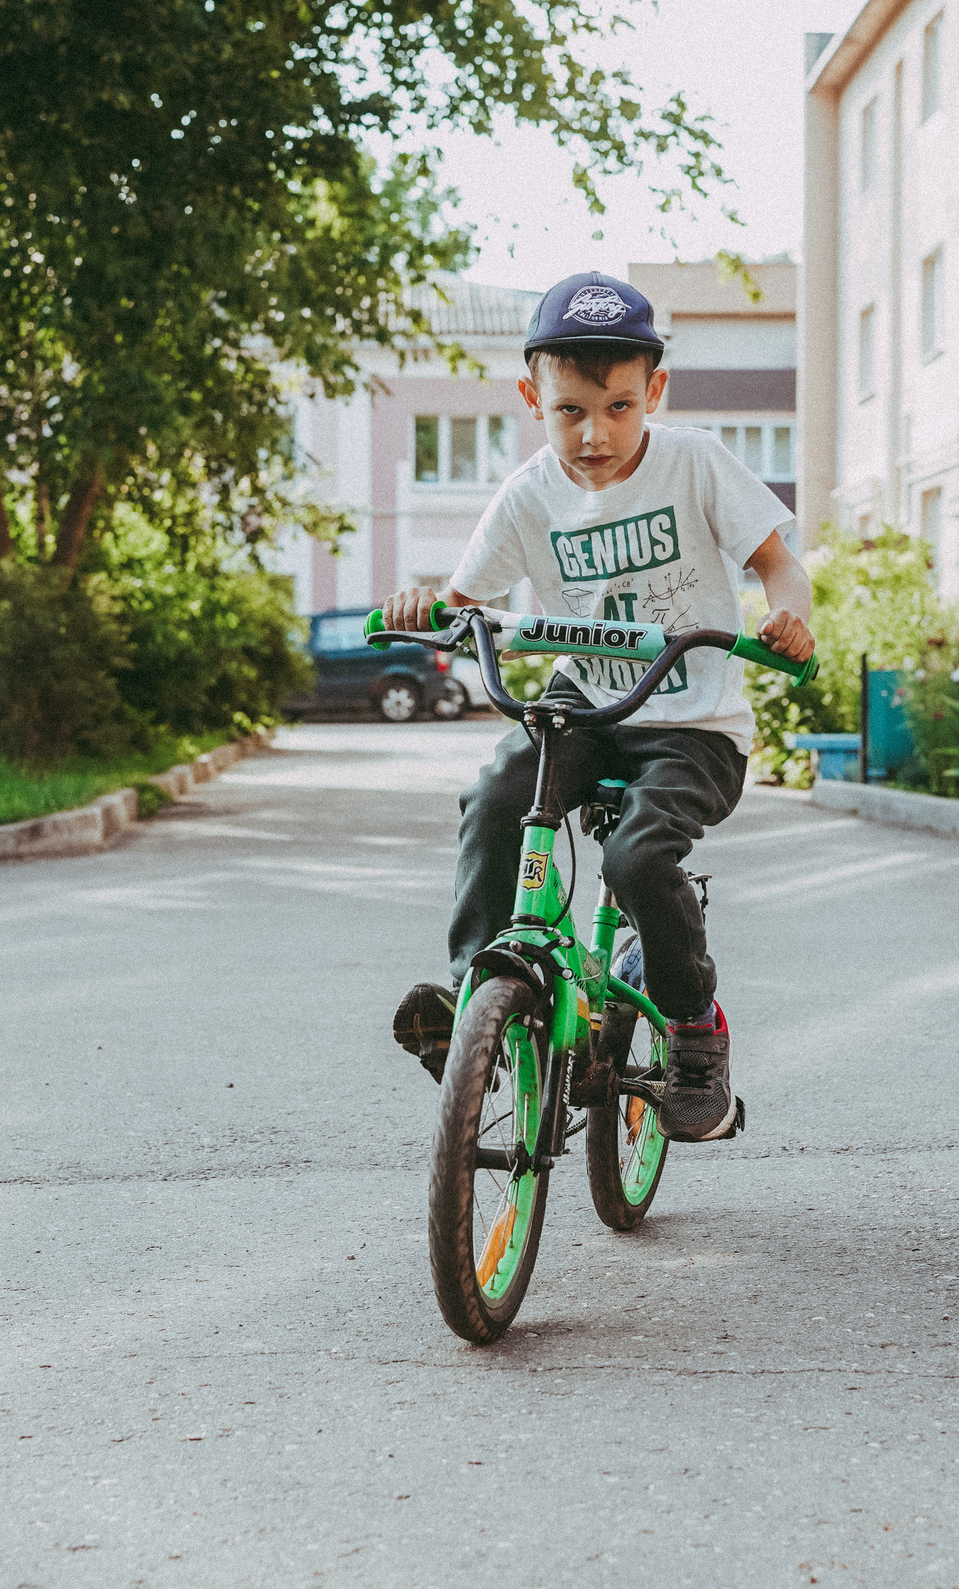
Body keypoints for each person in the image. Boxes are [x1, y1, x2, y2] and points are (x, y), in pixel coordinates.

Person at [379, 270, 816, 1141]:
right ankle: (475, 990)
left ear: (654, 391)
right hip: (588, 702)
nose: (594, 432)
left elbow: (776, 559)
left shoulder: (694, 462)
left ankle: (694, 1032)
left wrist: (786, 611)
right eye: (570, 409)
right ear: (531, 397)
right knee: (499, 794)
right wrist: (424, 611)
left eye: (619, 407)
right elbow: (464, 607)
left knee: (638, 855)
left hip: (691, 720)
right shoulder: (528, 494)